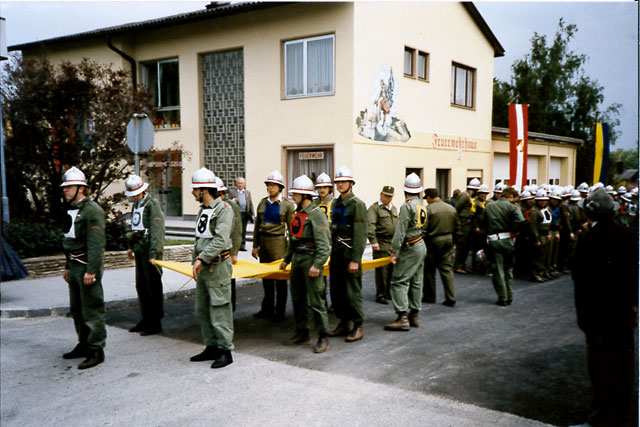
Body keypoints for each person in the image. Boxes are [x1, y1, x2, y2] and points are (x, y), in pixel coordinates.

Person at [572, 187, 637, 427]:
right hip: (623, 313)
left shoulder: (590, 238)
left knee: (601, 368)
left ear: (591, 213)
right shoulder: (627, 234)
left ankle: (600, 419)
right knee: (623, 365)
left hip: (598, 316)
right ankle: (621, 415)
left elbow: (579, 274)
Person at [60, 167, 106, 369]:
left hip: (87, 266)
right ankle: (84, 343)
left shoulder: (92, 211)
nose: (65, 191)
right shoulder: (74, 209)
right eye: (65, 188)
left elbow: (96, 244)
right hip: (75, 266)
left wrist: (92, 270)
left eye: (69, 187)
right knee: (77, 309)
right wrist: (68, 266)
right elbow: (70, 241)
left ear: (81, 188)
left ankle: (96, 349)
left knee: (92, 309)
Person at [279, 175, 332, 353]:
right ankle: (302, 332)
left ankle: (323, 336)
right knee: (298, 298)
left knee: (316, 300)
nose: (293, 197)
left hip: (310, 259)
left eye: (295, 194)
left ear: (305, 195)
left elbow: (324, 245)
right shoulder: (298, 213)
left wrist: (317, 265)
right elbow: (293, 239)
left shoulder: (317, 214)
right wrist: (286, 259)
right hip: (298, 260)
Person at [189, 168, 234, 369]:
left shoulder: (224, 209)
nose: (192, 193)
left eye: (195, 190)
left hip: (217, 267)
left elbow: (221, 240)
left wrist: (201, 259)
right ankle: (211, 346)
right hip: (204, 266)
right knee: (203, 309)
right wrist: (196, 260)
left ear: (204, 190)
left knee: (219, 309)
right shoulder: (203, 211)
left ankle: (225, 350)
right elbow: (199, 239)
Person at [327, 166, 368, 342]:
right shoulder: (335, 203)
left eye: (344, 182)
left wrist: (355, 259)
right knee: (336, 290)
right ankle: (344, 323)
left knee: (352, 290)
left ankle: (358, 325)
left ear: (351, 184)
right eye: (338, 182)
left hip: (350, 250)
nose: (340, 185)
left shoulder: (357, 204)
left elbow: (360, 233)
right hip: (336, 251)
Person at [384, 173, 427, 331]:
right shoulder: (421, 204)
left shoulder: (406, 206)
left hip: (410, 246)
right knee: (416, 281)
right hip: (421, 244)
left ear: (405, 191)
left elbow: (400, 232)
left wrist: (394, 252)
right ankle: (414, 315)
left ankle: (402, 317)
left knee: (398, 281)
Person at [124, 174, 165, 336]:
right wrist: (131, 246)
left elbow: (157, 230)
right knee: (141, 285)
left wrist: (155, 252)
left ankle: (155, 321)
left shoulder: (152, 204)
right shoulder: (136, 205)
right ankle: (145, 317)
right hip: (140, 249)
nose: (134, 196)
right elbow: (135, 227)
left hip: (150, 250)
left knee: (153, 286)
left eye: (135, 193)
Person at [251, 171, 294, 321]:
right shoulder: (262, 203)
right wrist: (255, 245)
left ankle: (279, 311)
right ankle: (267, 309)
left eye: (273, 185)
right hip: (264, 242)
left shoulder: (287, 206)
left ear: (280, 187)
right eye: (268, 185)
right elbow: (257, 226)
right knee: (266, 278)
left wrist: (291, 250)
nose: (270, 188)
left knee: (280, 278)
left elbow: (292, 228)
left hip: (279, 243)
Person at [484, 187, 526, 306]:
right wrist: (515, 231)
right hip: (508, 239)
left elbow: (484, 222)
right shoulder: (513, 207)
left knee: (498, 269)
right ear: (511, 196)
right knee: (508, 269)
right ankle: (510, 294)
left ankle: (502, 297)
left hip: (493, 239)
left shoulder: (489, 205)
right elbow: (521, 221)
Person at [422, 188, 459, 306]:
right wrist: (455, 241)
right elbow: (457, 227)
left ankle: (429, 296)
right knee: (447, 269)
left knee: (429, 270)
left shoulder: (429, 209)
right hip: (448, 239)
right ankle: (450, 297)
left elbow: (424, 229)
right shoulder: (451, 208)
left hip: (433, 241)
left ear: (429, 197)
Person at [367, 185, 398, 305]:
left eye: (390, 196)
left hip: (392, 243)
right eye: (386, 195)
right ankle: (381, 294)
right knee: (382, 271)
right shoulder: (375, 208)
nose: (388, 198)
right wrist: (373, 241)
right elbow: (371, 225)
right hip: (381, 242)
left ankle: (389, 292)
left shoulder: (393, 208)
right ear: (381, 194)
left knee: (392, 269)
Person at [218, 178, 243, 311]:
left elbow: (237, 230)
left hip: (227, 252)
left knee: (228, 282)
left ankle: (230, 308)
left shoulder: (231, 206)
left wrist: (234, 252)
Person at [454, 178, 480, 274]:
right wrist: (458, 224)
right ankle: (458, 266)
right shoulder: (464, 196)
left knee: (466, 246)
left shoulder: (470, 197)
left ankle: (462, 265)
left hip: (469, 224)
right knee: (462, 246)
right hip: (463, 224)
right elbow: (456, 209)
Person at [529, 190, 553, 282]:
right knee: (537, 256)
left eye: (544, 200)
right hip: (539, 236)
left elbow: (549, 223)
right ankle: (535, 274)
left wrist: (549, 233)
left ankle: (542, 272)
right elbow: (533, 227)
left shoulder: (547, 209)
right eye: (540, 200)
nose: (543, 202)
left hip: (546, 235)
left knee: (544, 256)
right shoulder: (534, 212)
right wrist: (536, 239)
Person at [228, 177, 254, 251]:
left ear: (244, 184)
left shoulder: (247, 192)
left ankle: (242, 245)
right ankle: (236, 245)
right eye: (239, 183)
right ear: (237, 183)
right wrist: (233, 200)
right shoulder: (232, 192)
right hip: (236, 214)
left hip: (245, 213)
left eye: (242, 183)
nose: (240, 185)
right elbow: (228, 201)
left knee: (243, 230)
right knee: (236, 230)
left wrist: (252, 213)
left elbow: (250, 203)